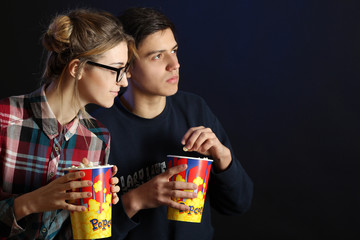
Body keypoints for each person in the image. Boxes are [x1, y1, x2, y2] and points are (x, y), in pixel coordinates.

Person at [92, 7, 253, 240]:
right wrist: (135, 200)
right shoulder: (97, 131)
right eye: (157, 56)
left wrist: (223, 159)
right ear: (125, 68)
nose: (174, 64)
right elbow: (88, 233)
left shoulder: (194, 109)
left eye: (174, 51)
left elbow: (238, 204)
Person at [0, 8, 134, 240]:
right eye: (116, 70)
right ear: (77, 68)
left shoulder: (98, 138)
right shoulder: (5, 118)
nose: (123, 82)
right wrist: (30, 202)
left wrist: (96, 207)